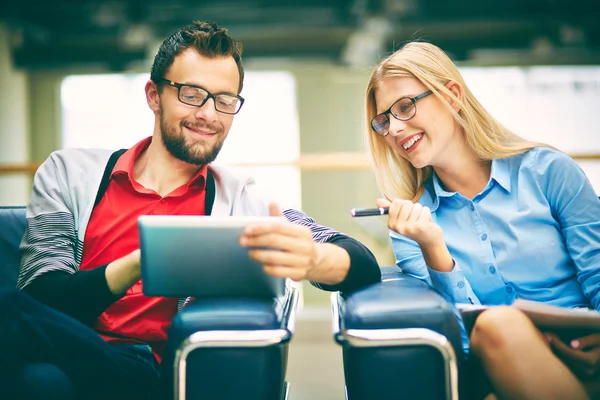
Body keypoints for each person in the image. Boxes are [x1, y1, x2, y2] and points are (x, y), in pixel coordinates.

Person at [1, 20, 381, 400]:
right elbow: (42, 297)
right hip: (53, 351)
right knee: (37, 374)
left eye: (225, 100)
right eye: (192, 94)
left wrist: (313, 258)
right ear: (154, 95)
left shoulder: (243, 201)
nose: (209, 114)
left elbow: (360, 260)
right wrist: (141, 262)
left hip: (143, 372)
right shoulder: (68, 174)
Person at [364, 41, 600, 399]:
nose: (394, 129)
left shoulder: (549, 172)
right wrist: (433, 246)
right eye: (384, 121)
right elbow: (460, 336)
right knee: (495, 325)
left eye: (405, 107)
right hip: (499, 366)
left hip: (588, 352)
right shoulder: (412, 227)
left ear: (452, 95)